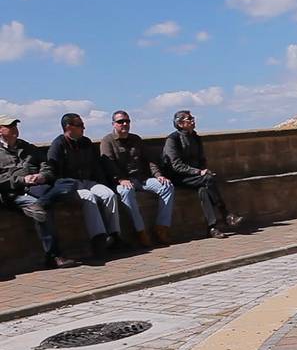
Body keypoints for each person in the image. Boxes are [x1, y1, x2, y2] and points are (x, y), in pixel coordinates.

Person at [0, 115, 79, 269]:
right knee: (42, 210)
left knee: (69, 184)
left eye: (15, 126)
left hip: (38, 187)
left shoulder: (27, 147)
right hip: (14, 193)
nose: (15, 129)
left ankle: (42, 202)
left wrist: (42, 176)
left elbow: (46, 165)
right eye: (10, 126)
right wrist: (22, 180)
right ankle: (53, 256)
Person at [46, 113, 122, 257]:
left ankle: (115, 235)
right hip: (70, 185)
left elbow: (96, 166)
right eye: (80, 125)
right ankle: (99, 239)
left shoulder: (86, 142)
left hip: (88, 181)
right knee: (88, 197)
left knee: (109, 194)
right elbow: (53, 170)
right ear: (68, 127)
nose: (83, 128)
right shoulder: (58, 145)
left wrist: (102, 182)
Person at [161, 110, 243, 239]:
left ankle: (212, 227)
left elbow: (201, 159)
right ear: (181, 123)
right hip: (179, 177)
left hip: (197, 177)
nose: (193, 121)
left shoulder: (195, 137)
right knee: (208, 180)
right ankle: (226, 214)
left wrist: (203, 169)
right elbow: (176, 165)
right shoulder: (173, 139)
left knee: (204, 190)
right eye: (189, 119)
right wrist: (198, 172)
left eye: (192, 118)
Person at [100, 110, 175, 247]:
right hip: (122, 181)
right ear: (113, 124)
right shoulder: (107, 141)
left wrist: (158, 175)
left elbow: (149, 160)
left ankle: (162, 227)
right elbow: (108, 164)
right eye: (120, 121)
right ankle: (140, 231)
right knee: (127, 192)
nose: (124, 124)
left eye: (127, 121)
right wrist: (120, 179)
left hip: (142, 179)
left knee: (167, 186)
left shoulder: (136, 139)